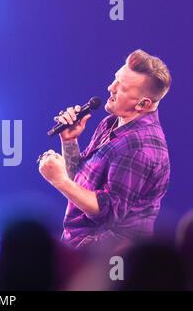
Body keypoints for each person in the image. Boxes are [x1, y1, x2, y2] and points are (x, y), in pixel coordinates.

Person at [38, 49, 171, 251]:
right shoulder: (112, 122)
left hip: (109, 262)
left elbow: (108, 214)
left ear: (143, 104)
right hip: (81, 247)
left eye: (122, 87)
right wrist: (70, 140)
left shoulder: (138, 148)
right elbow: (83, 182)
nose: (111, 87)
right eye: (115, 79)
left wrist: (60, 181)